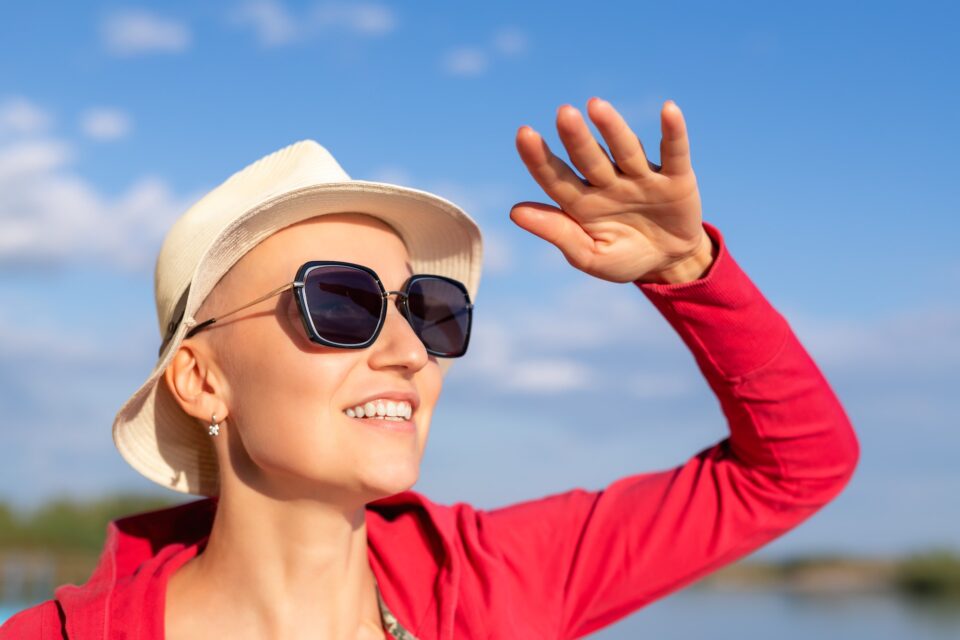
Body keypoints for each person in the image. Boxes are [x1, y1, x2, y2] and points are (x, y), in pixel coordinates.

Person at [0, 98, 860, 639]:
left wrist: (686, 275)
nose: (410, 350)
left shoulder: (489, 579)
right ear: (201, 379)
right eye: (339, 304)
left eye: (428, 309)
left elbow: (796, 467)